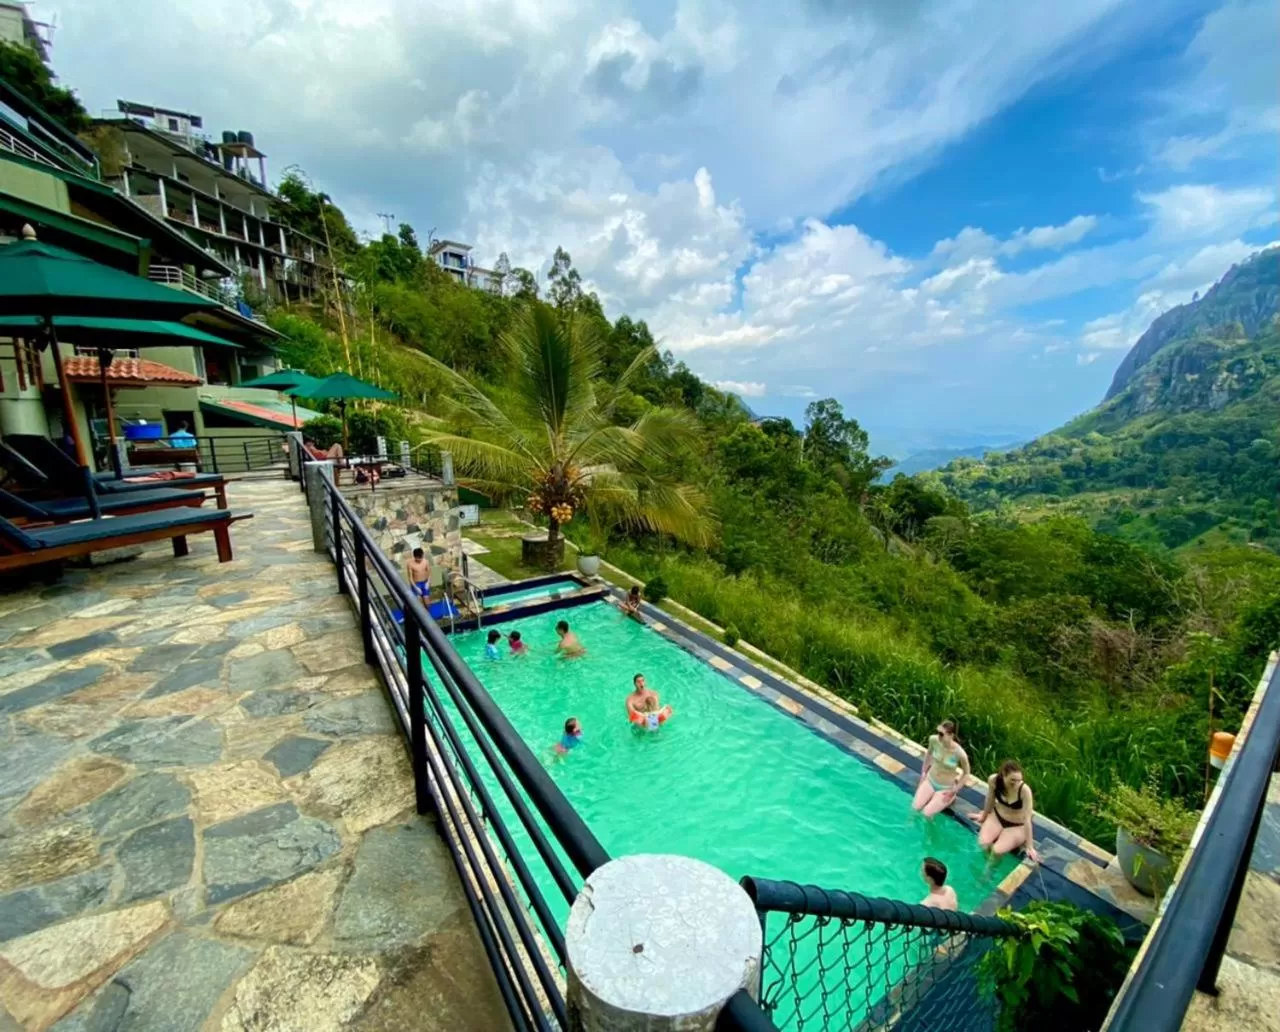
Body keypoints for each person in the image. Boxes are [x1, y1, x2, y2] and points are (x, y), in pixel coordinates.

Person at [970, 760, 1041, 863]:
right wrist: (984, 816)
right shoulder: (993, 780)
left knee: (997, 851)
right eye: (1013, 780)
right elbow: (990, 799)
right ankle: (982, 864)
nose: (1016, 783)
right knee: (982, 844)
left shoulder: (1024, 790)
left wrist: (1030, 846)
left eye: (1019, 780)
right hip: (998, 817)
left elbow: (1027, 818)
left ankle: (987, 874)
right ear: (1003, 774)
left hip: (1017, 825)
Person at [912, 720, 970, 817]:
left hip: (945, 788)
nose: (938, 736)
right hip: (930, 780)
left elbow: (967, 773)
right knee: (914, 808)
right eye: (938, 732)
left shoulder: (959, 753)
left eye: (941, 734)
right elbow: (929, 754)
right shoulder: (933, 740)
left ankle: (949, 798)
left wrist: (954, 791)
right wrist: (923, 773)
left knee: (926, 814)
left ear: (951, 735)